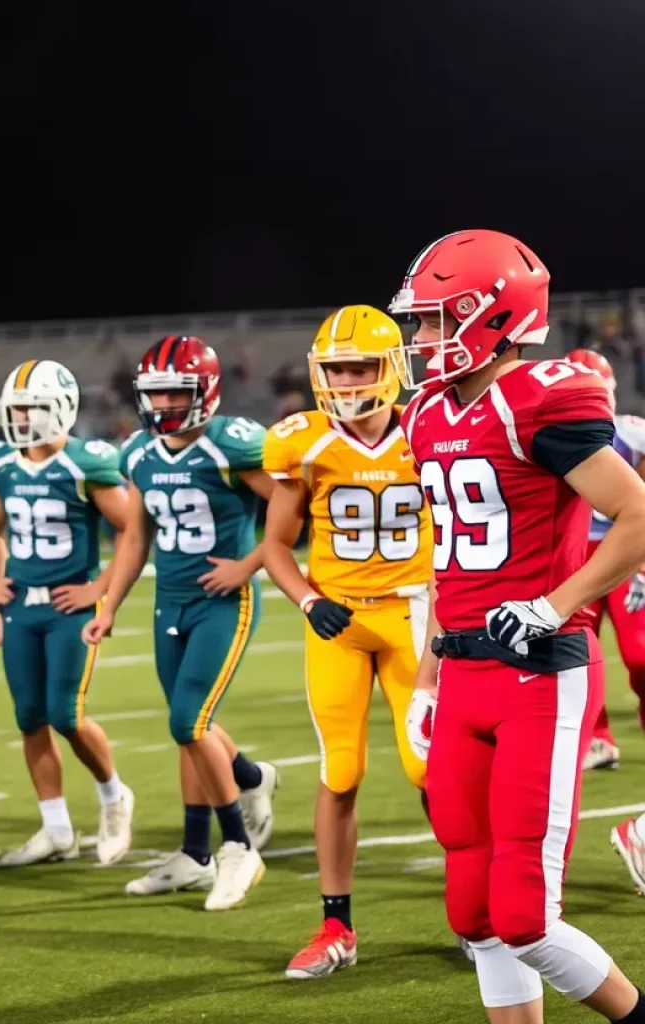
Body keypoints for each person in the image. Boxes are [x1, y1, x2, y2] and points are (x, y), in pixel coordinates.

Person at [392, 229, 645, 1023]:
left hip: (537, 669)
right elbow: (449, 555)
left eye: (435, 320)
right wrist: (429, 674)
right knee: (472, 914)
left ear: (489, 315)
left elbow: (637, 514)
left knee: (526, 918)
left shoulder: (537, 396)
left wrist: (555, 602)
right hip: (464, 672)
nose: (420, 338)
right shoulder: (428, 413)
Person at [263, 305, 432, 978]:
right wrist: (309, 599)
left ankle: (477, 910)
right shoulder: (303, 442)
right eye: (335, 368)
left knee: (430, 768)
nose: (346, 380)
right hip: (338, 621)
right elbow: (275, 546)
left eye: (359, 366)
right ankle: (337, 925)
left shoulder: (426, 429)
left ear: (391, 368)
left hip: (413, 614)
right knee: (341, 769)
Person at [84, 335, 278, 911]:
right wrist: (110, 604)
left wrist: (247, 565)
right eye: (156, 393)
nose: (165, 403)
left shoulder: (230, 445)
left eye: (176, 391)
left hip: (224, 602)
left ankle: (238, 848)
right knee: (188, 725)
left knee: (189, 723)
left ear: (206, 391)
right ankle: (201, 846)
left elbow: (294, 507)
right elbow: (135, 536)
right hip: (170, 602)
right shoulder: (141, 452)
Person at [0, 359, 134, 866]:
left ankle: (114, 796)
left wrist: (100, 589)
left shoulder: (84, 463)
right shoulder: (3, 467)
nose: (22, 419)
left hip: (69, 606)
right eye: (17, 409)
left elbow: (134, 530)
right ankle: (57, 829)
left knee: (66, 715)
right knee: (29, 718)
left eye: (33, 408)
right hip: (22, 607)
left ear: (62, 410)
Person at [561, 350, 645, 771]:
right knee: (579, 655)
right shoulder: (547, 432)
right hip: (576, 557)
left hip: (626, 550)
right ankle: (599, 739)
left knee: (639, 654)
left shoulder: (631, 433)